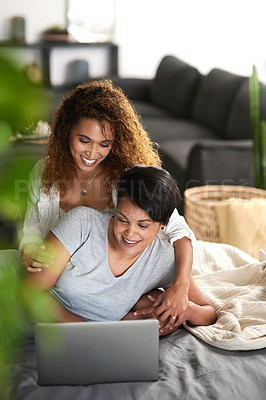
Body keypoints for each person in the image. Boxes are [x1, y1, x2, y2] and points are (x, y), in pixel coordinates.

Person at [20, 79, 195, 331]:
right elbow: (30, 230)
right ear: (67, 131)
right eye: (84, 140)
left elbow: (178, 230)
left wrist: (182, 285)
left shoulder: (126, 179)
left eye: (104, 144)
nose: (93, 153)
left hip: (96, 286)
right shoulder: (44, 172)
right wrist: (28, 248)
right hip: (52, 277)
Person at [24, 166, 216, 335]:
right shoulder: (81, 223)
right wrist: (89, 333)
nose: (130, 234)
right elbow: (31, 292)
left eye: (143, 225)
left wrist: (184, 308)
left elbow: (209, 313)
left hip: (84, 345)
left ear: (163, 225)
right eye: (122, 219)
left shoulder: (163, 259)